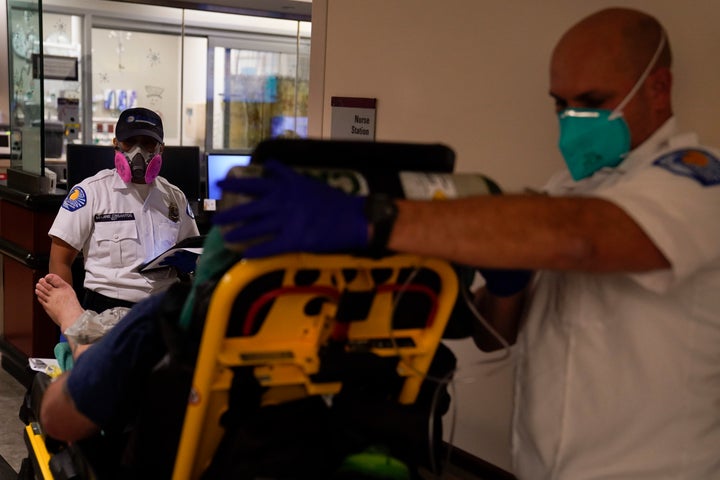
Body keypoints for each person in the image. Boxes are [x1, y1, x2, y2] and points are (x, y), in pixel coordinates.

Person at [38, 7, 720, 478]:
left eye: (591, 101)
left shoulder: (697, 184)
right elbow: (496, 335)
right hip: (549, 463)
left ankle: (78, 325)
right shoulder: (563, 196)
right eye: (558, 104)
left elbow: (580, 241)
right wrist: (503, 290)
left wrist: (371, 220)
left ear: (656, 88)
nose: (570, 122)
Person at [48, 107, 200, 313]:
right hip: (106, 308)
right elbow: (60, 261)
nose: (138, 152)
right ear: (116, 145)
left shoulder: (175, 198)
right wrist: (70, 317)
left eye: (148, 143)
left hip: (163, 309)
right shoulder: (91, 192)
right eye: (130, 142)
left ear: (160, 149)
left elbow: (193, 256)